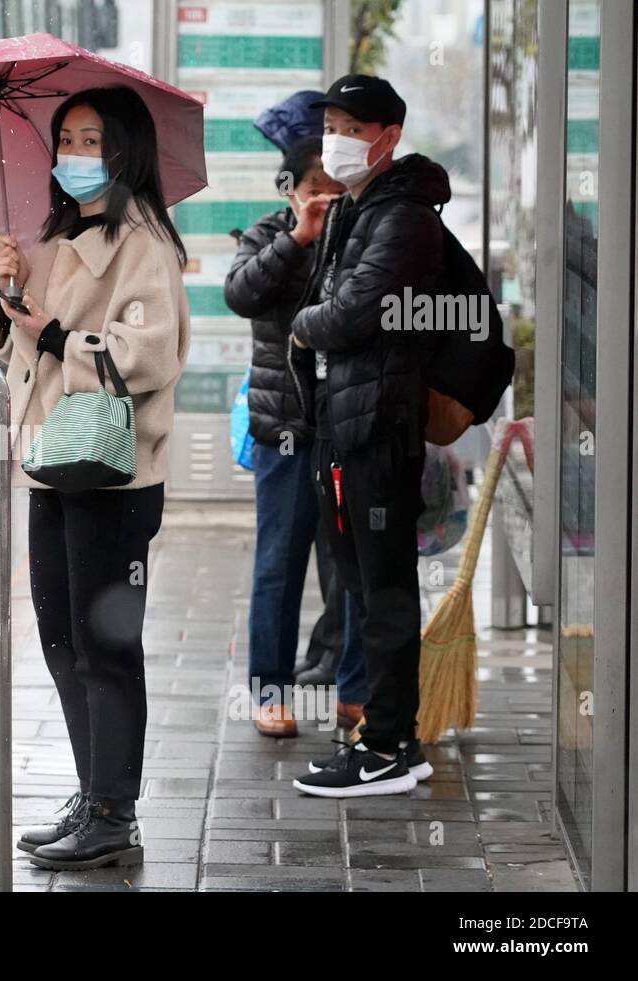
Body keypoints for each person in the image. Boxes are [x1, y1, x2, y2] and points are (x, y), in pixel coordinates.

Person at [0, 85, 191, 869]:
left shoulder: (143, 241)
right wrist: (9, 297)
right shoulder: (56, 237)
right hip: (52, 466)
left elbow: (149, 356)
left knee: (106, 645)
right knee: (62, 636)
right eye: (65, 140)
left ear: (124, 150)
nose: (74, 155)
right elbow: (25, 351)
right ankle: (91, 790)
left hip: (114, 473)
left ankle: (115, 811)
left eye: (90, 140)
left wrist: (58, 333)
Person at [288, 75, 446, 796]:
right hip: (345, 422)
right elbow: (329, 301)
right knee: (362, 584)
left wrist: (302, 324)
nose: (336, 140)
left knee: (383, 590)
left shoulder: (404, 217)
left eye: (351, 126)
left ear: (388, 135)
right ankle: (392, 742)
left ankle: (385, 745)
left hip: (377, 427)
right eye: (331, 124)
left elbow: (351, 313)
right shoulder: (357, 207)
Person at [224, 136, 370, 738]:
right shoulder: (269, 236)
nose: (325, 203)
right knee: (278, 565)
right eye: (315, 191)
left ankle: (356, 692)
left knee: (356, 567)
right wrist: (299, 239)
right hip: (285, 427)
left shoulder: (364, 240)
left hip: (348, 426)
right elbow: (240, 294)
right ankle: (269, 693)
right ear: (292, 191)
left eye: (335, 193)